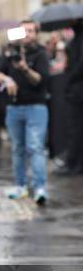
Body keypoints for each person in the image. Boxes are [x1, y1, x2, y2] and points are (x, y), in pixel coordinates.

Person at [0, 20, 50, 205]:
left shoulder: (41, 53)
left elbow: (41, 81)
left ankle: (39, 188)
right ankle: (20, 186)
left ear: (36, 34)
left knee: (35, 148)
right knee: (18, 150)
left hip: (36, 106)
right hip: (14, 107)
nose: (26, 34)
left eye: (30, 31)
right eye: (23, 30)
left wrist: (25, 68)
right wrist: (7, 79)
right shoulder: (10, 52)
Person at [53, 21, 83, 175]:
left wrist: (70, 76)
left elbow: (79, 65)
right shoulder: (76, 38)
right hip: (76, 90)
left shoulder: (79, 39)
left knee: (75, 128)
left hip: (77, 91)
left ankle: (73, 164)